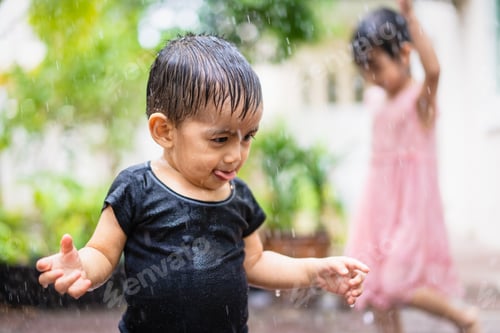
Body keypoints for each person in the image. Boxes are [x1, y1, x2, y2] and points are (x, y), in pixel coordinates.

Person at [36, 33, 369, 333]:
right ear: (165, 131)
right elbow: (102, 253)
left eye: (247, 137)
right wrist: (83, 266)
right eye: (220, 139)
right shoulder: (136, 188)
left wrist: (313, 271)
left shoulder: (238, 198)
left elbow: (254, 261)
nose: (236, 155)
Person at [345, 1, 481, 333]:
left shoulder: (419, 101)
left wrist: (409, 19)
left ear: (405, 55)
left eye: (376, 66)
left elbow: (433, 69)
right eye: (365, 69)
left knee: (394, 282)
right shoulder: (376, 98)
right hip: (378, 209)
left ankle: (463, 317)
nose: (372, 77)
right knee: (373, 286)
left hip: (410, 209)